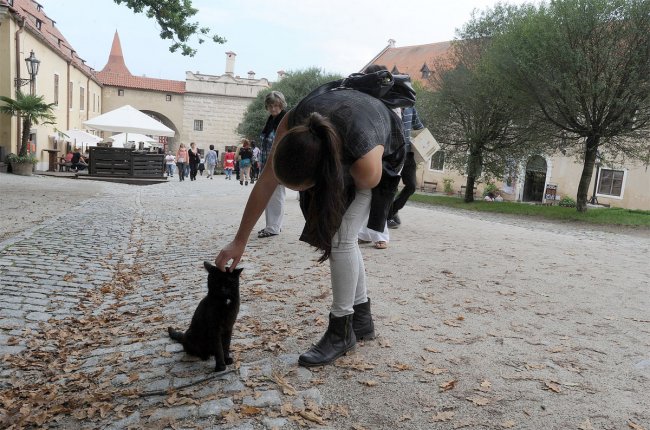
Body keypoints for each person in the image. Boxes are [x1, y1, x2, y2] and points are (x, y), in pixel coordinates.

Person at [215, 86, 406, 368]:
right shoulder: (291, 121)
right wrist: (239, 240)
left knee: (342, 238)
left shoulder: (364, 163)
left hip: (380, 154)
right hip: (342, 137)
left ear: (322, 176)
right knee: (345, 238)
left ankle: (342, 331)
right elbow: (266, 181)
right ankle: (362, 320)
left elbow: (366, 184)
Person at [387, 102, 425, 229]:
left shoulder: (410, 107)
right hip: (393, 152)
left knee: (412, 186)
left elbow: (418, 127)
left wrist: (426, 142)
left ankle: (392, 210)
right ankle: (388, 215)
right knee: (392, 186)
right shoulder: (389, 106)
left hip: (408, 153)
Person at [257, 91, 288, 239]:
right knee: (270, 195)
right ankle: (272, 225)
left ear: (281, 105)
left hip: (278, 165)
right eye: (270, 106)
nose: (273, 108)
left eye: (276, 105)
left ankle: (273, 227)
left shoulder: (285, 120)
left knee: (276, 196)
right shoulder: (271, 120)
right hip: (267, 164)